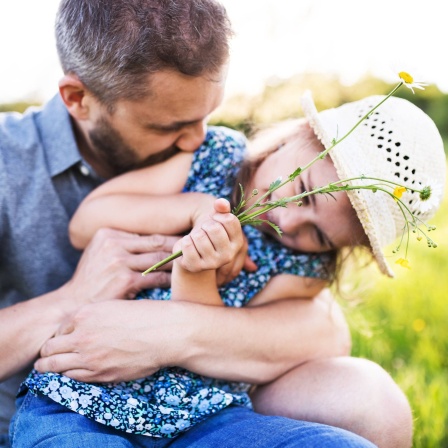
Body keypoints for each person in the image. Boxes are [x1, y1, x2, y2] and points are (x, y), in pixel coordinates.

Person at [0, 0, 382, 447]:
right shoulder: (9, 165)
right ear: (78, 99)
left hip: (199, 414)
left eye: (207, 115)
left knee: (372, 409)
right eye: (170, 125)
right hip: (68, 410)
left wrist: (189, 297)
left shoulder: (219, 158)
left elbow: (320, 327)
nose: (199, 138)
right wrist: (70, 300)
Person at [11, 92, 446, 447]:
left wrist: (198, 274)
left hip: (201, 416)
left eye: (320, 236)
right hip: (81, 399)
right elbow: (87, 223)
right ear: (293, 138)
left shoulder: (303, 270)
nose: (289, 222)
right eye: (302, 192)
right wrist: (197, 209)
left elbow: (218, 348)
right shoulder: (215, 159)